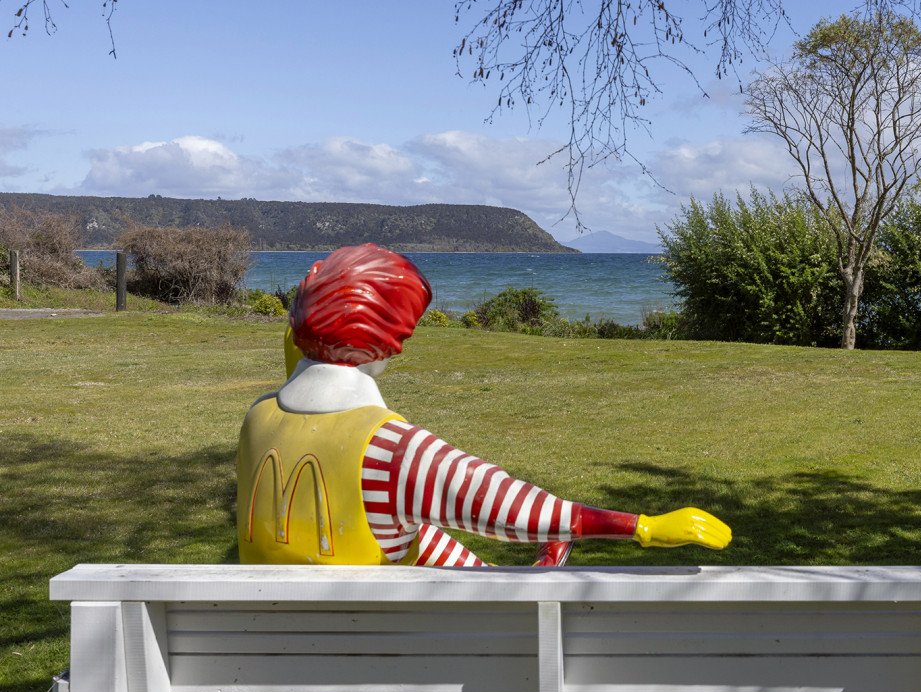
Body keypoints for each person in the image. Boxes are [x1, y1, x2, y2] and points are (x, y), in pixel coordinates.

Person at [238, 243, 731, 568]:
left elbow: (396, 531)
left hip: (268, 664)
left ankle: (495, 576)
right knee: (417, 516)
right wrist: (643, 527)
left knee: (403, 523)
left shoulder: (258, 420)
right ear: (388, 344)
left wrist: (307, 331)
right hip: (385, 668)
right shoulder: (391, 451)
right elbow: (518, 510)